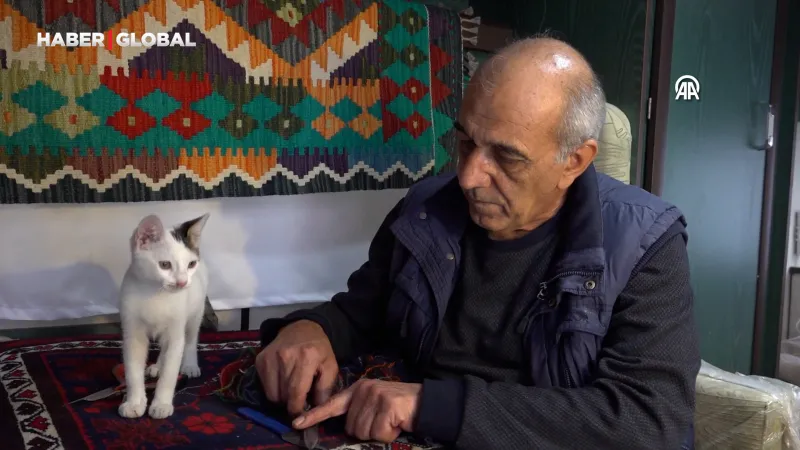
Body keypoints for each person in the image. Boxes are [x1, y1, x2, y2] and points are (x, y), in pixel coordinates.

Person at [256, 37, 701, 449]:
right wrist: (311, 329)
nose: (469, 178)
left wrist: (433, 407)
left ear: (575, 161)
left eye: (507, 156)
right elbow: (360, 312)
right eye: (466, 142)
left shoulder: (646, 245)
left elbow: (648, 420)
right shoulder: (425, 209)